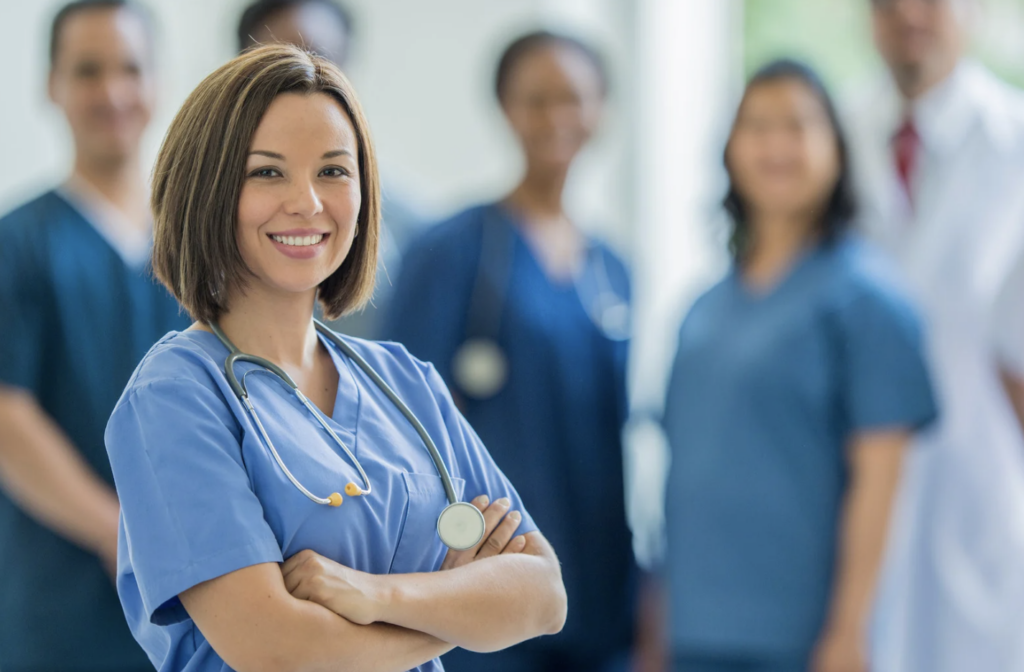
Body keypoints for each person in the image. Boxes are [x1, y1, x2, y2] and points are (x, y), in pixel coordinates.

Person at [103, 43, 567, 672]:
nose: (308, 202)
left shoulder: (403, 381)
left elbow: (543, 596)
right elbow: (275, 649)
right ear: (207, 188)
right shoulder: (175, 397)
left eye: (333, 171)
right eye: (267, 172)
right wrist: (456, 614)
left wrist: (374, 596)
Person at [661, 60, 937, 672]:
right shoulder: (703, 309)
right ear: (729, 150)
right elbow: (683, 479)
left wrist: (849, 629)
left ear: (837, 149)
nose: (776, 144)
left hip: (802, 640)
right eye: (757, 125)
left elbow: (881, 481)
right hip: (694, 631)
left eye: (797, 125)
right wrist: (657, 619)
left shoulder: (868, 300)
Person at [384, 31, 638, 672]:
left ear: (602, 109)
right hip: (485, 585)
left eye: (574, 98)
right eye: (536, 99)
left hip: (599, 592)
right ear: (505, 109)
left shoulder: (612, 268)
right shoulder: (453, 250)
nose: (557, 117)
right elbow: (396, 426)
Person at [0, 2, 188, 670]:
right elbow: (6, 417)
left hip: (198, 590)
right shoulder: (19, 243)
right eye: (87, 71)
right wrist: (122, 532)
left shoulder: (198, 249)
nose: (112, 92)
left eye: (130, 69)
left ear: (157, 82)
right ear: (51, 85)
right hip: (61, 603)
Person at [844, 1, 1024, 669]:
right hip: (855, 500)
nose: (907, 14)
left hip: (983, 494)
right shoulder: (833, 133)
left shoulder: (1015, 141)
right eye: (886, 3)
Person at [236, 0, 425, 339]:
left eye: (320, 58)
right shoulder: (202, 217)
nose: (302, 77)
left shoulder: (413, 232)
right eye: (276, 65)